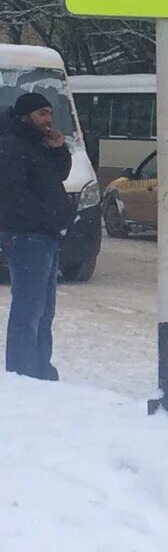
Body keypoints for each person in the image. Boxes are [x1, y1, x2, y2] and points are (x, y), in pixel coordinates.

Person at [0, 93, 73, 381]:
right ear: (25, 115)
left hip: (45, 234)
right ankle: (22, 370)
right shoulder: (11, 146)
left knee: (44, 310)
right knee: (28, 308)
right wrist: (45, 216)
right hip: (27, 234)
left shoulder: (37, 144)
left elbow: (59, 176)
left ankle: (41, 366)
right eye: (42, 113)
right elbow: (14, 193)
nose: (48, 120)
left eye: (49, 113)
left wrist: (58, 150)